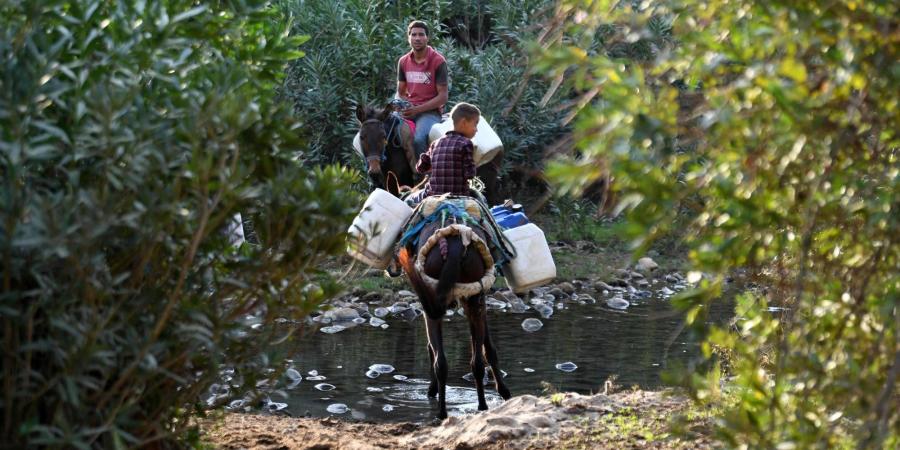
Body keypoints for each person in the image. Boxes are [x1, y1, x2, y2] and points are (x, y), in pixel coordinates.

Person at [408, 102, 479, 205]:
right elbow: (470, 174)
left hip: (432, 195)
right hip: (458, 196)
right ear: (464, 122)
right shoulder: (466, 143)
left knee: (409, 200)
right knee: (481, 200)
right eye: (475, 124)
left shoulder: (436, 143)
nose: (476, 129)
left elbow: (420, 168)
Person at [397, 20, 448, 157]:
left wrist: (417, 109)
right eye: (413, 35)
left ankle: (426, 175)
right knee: (386, 134)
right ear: (408, 38)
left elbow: (443, 96)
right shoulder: (403, 61)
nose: (417, 38)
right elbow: (400, 92)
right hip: (409, 110)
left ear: (427, 37)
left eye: (421, 34)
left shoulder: (438, 61)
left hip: (430, 113)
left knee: (419, 140)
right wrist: (403, 106)